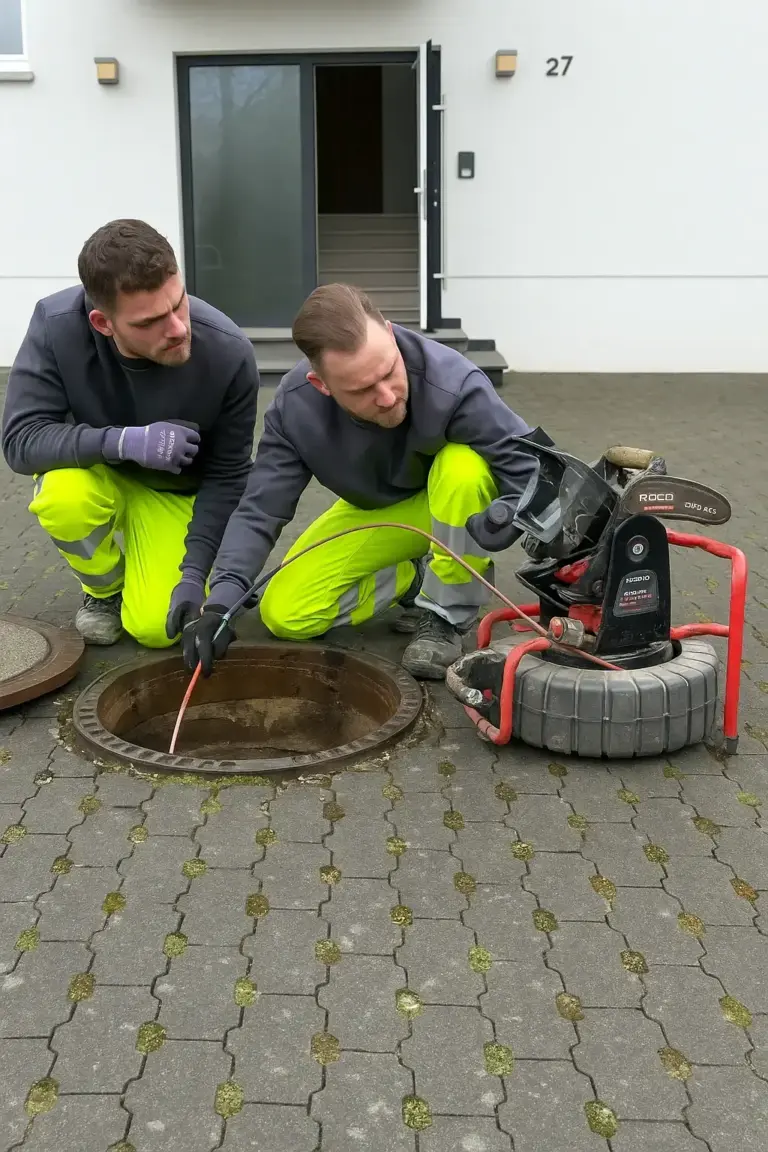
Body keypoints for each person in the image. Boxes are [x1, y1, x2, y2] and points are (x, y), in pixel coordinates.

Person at [183, 283, 541, 680]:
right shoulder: (295, 408)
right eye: (362, 389)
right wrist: (221, 602)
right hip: (377, 508)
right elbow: (259, 510)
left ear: (389, 333)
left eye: (389, 372)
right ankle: (412, 580)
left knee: (463, 467)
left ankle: (445, 616)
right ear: (322, 384)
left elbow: (533, 469)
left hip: (456, 506)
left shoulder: (453, 380)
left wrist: (508, 512)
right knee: (286, 613)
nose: (386, 396)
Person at [1, 218, 259, 648]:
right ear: (103, 323)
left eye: (178, 304)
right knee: (62, 496)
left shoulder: (228, 353)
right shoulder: (56, 325)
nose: (178, 328)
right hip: (99, 472)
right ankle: (104, 592)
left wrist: (194, 573)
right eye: (150, 322)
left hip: (176, 493)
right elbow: (20, 441)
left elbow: (230, 476)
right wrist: (122, 442)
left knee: (158, 628)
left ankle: (161, 581)